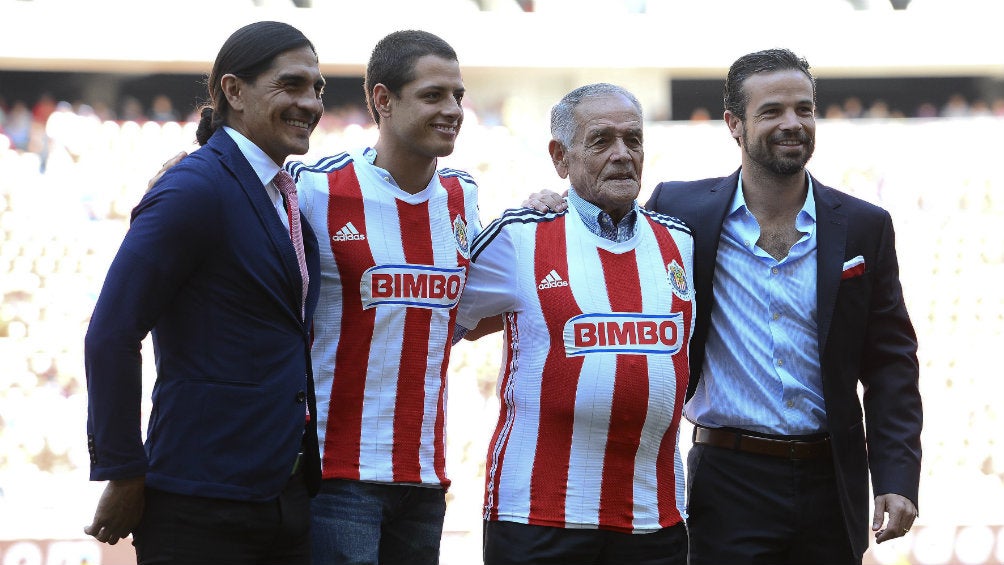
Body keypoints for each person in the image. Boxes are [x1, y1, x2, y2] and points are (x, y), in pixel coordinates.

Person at [644, 49, 922, 564]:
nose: (792, 123)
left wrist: (897, 476)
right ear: (733, 123)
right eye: (772, 111)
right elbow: (606, 234)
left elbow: (890, 363)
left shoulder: (865, 225)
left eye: (804, 109)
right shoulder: (678, 211)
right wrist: (552, 201)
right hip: (727, 476)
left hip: (830, 477)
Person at [83, 20, 326, 564]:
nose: (309, 102)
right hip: (201, 502)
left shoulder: (284, 194)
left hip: (282, 498)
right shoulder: (194, 188)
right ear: (233, 91)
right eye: (291, 84)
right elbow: (111, 334)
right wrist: (124, 472)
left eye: (318, 88)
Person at [457, 83, 693, 565]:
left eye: (633, 139)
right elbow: (442, 323)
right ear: (560, 157)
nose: (623, 154)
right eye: (601, 140)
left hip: (654, 517)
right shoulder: (518, 237)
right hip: (538, 516)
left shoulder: (682, 241)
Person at [283, 30, 480, 565]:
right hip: (337, 473)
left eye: (458, 96)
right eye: (434, 95)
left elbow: (467, 313)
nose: (453, 109)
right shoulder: (312, 185)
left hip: (424, 477)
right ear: (382, 101)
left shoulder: (464, 196)